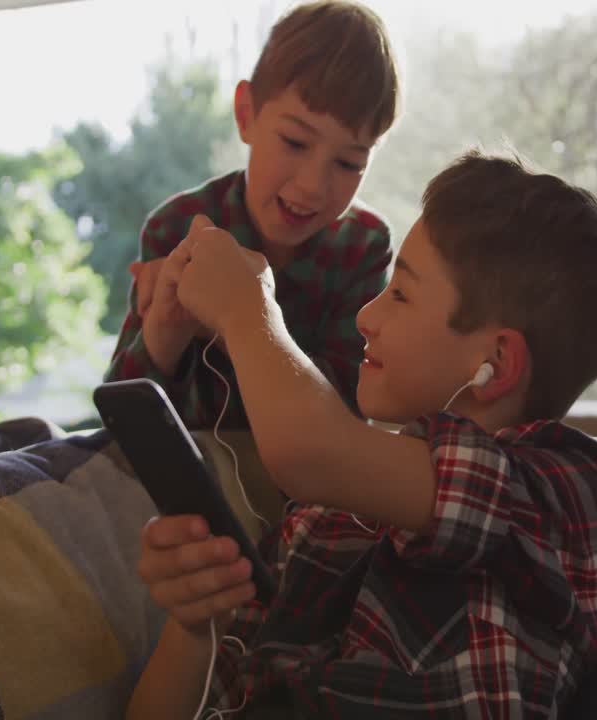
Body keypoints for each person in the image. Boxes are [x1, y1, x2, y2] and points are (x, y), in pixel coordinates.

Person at [127, 150, 597, 719]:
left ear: (496, 360)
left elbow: (309, 451)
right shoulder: (323, 519)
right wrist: (197, 622)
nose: (366, 316)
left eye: (402, 294)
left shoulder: (564, 490)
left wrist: (250, 307)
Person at [105, 0, 399, 430]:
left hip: (297, 485)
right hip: (181, 471)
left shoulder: (363, 245)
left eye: (348, 163)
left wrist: (233, 321)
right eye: (296, 143)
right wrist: (165, 328)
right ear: (246, 115)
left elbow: (348, 409)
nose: (312, 185)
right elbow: (120, 420)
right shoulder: (178, 225)